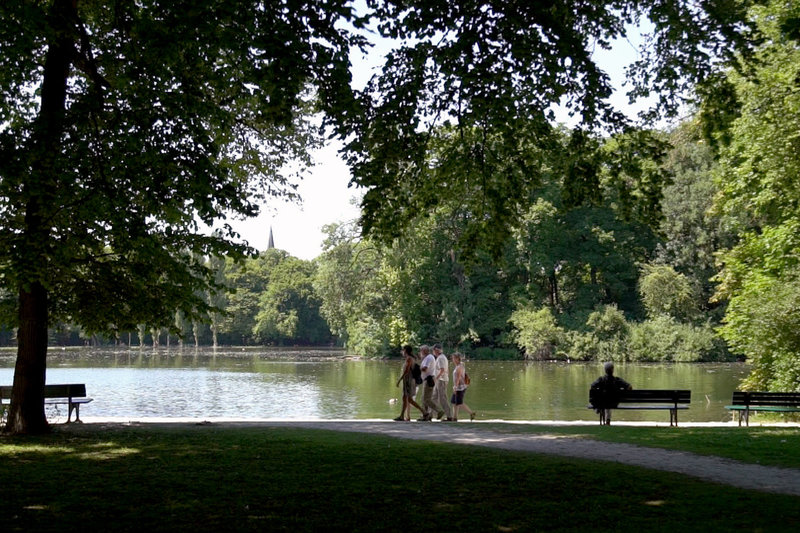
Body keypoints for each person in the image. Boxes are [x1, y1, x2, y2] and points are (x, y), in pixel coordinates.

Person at [394, 345, 424, 421]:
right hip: (407, 380)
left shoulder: (409, 359)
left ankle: (424, 412)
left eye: (403, 350)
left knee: (409, 399)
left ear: (405, 350)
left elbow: (406, 371)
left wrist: (399, 380)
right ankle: (401, 416)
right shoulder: (411, 358)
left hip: (409, 381)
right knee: (405, 398)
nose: (402, 351)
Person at [450, 352, 475, 422]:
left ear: (458, 359)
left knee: (459, 403)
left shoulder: (459, 366)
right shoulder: (459, 365)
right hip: (458, 387)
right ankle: (454, 417)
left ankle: (471, 413)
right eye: (453, 358)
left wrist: (455, 387)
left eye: (454, 358)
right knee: (454, 402)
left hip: (460, 388)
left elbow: (458, 377)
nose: (453, 360)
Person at [419, 345, 441, 421]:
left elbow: (425, 369)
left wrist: (417, 368)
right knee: (424, 399)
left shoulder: (428, 358)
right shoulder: (428, 357)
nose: (420, 352)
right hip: (427, 379)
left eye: (421, 350)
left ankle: (439, 411)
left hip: (428, 380)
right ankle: (425, 416)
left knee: (426, 399)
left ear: (424, 351)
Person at [432, 343, 452, 421]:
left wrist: (436, 379)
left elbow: (442, 370)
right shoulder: (441, 357)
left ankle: (449, 416)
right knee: (434, 398)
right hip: (441, 380)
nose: (433, 352)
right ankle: (432, 414)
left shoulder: (441, 358)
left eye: (433, 350)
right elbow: (447, 370)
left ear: (436, 350)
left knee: (442, 398)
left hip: (441, 380)